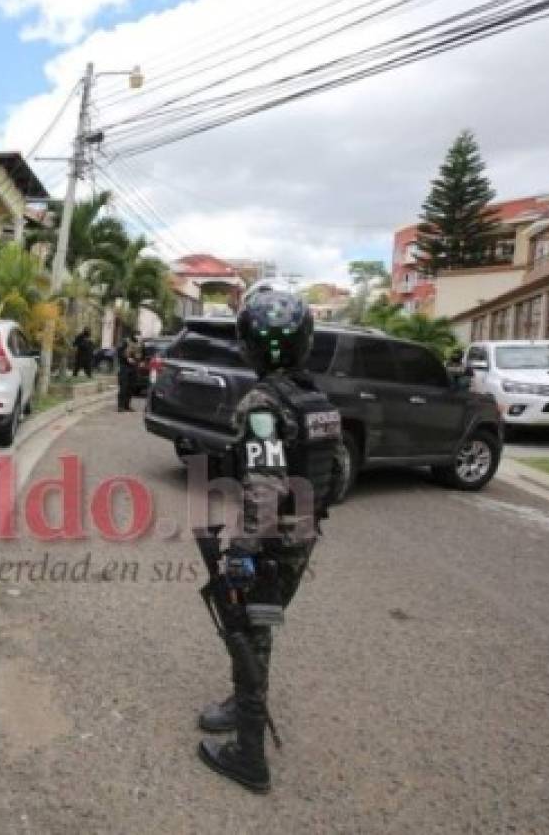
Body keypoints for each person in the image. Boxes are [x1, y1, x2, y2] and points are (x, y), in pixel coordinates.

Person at [196, 286, 341, 793]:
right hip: (303, 537)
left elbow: (264, 484)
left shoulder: (263, 403)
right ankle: (243, 702)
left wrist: (242, 551)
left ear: (249, 345)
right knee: (260, 629)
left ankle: (249, 755)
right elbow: (338, 476)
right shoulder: (317, 401)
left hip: (270, 541)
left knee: (245, 628)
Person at [116, 331, 141, 411]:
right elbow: (119, 352)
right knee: (124, 386)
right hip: (125, 367)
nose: (138, 337)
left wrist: (141, 361)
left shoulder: (139, 344)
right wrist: (127, 359)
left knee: (131, 387)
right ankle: (120, 406)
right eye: (136, 335)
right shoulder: (125, 342)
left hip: (134, 367)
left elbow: (141, 353)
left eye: (139, 336)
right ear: (132, 335)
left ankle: (127, 405)